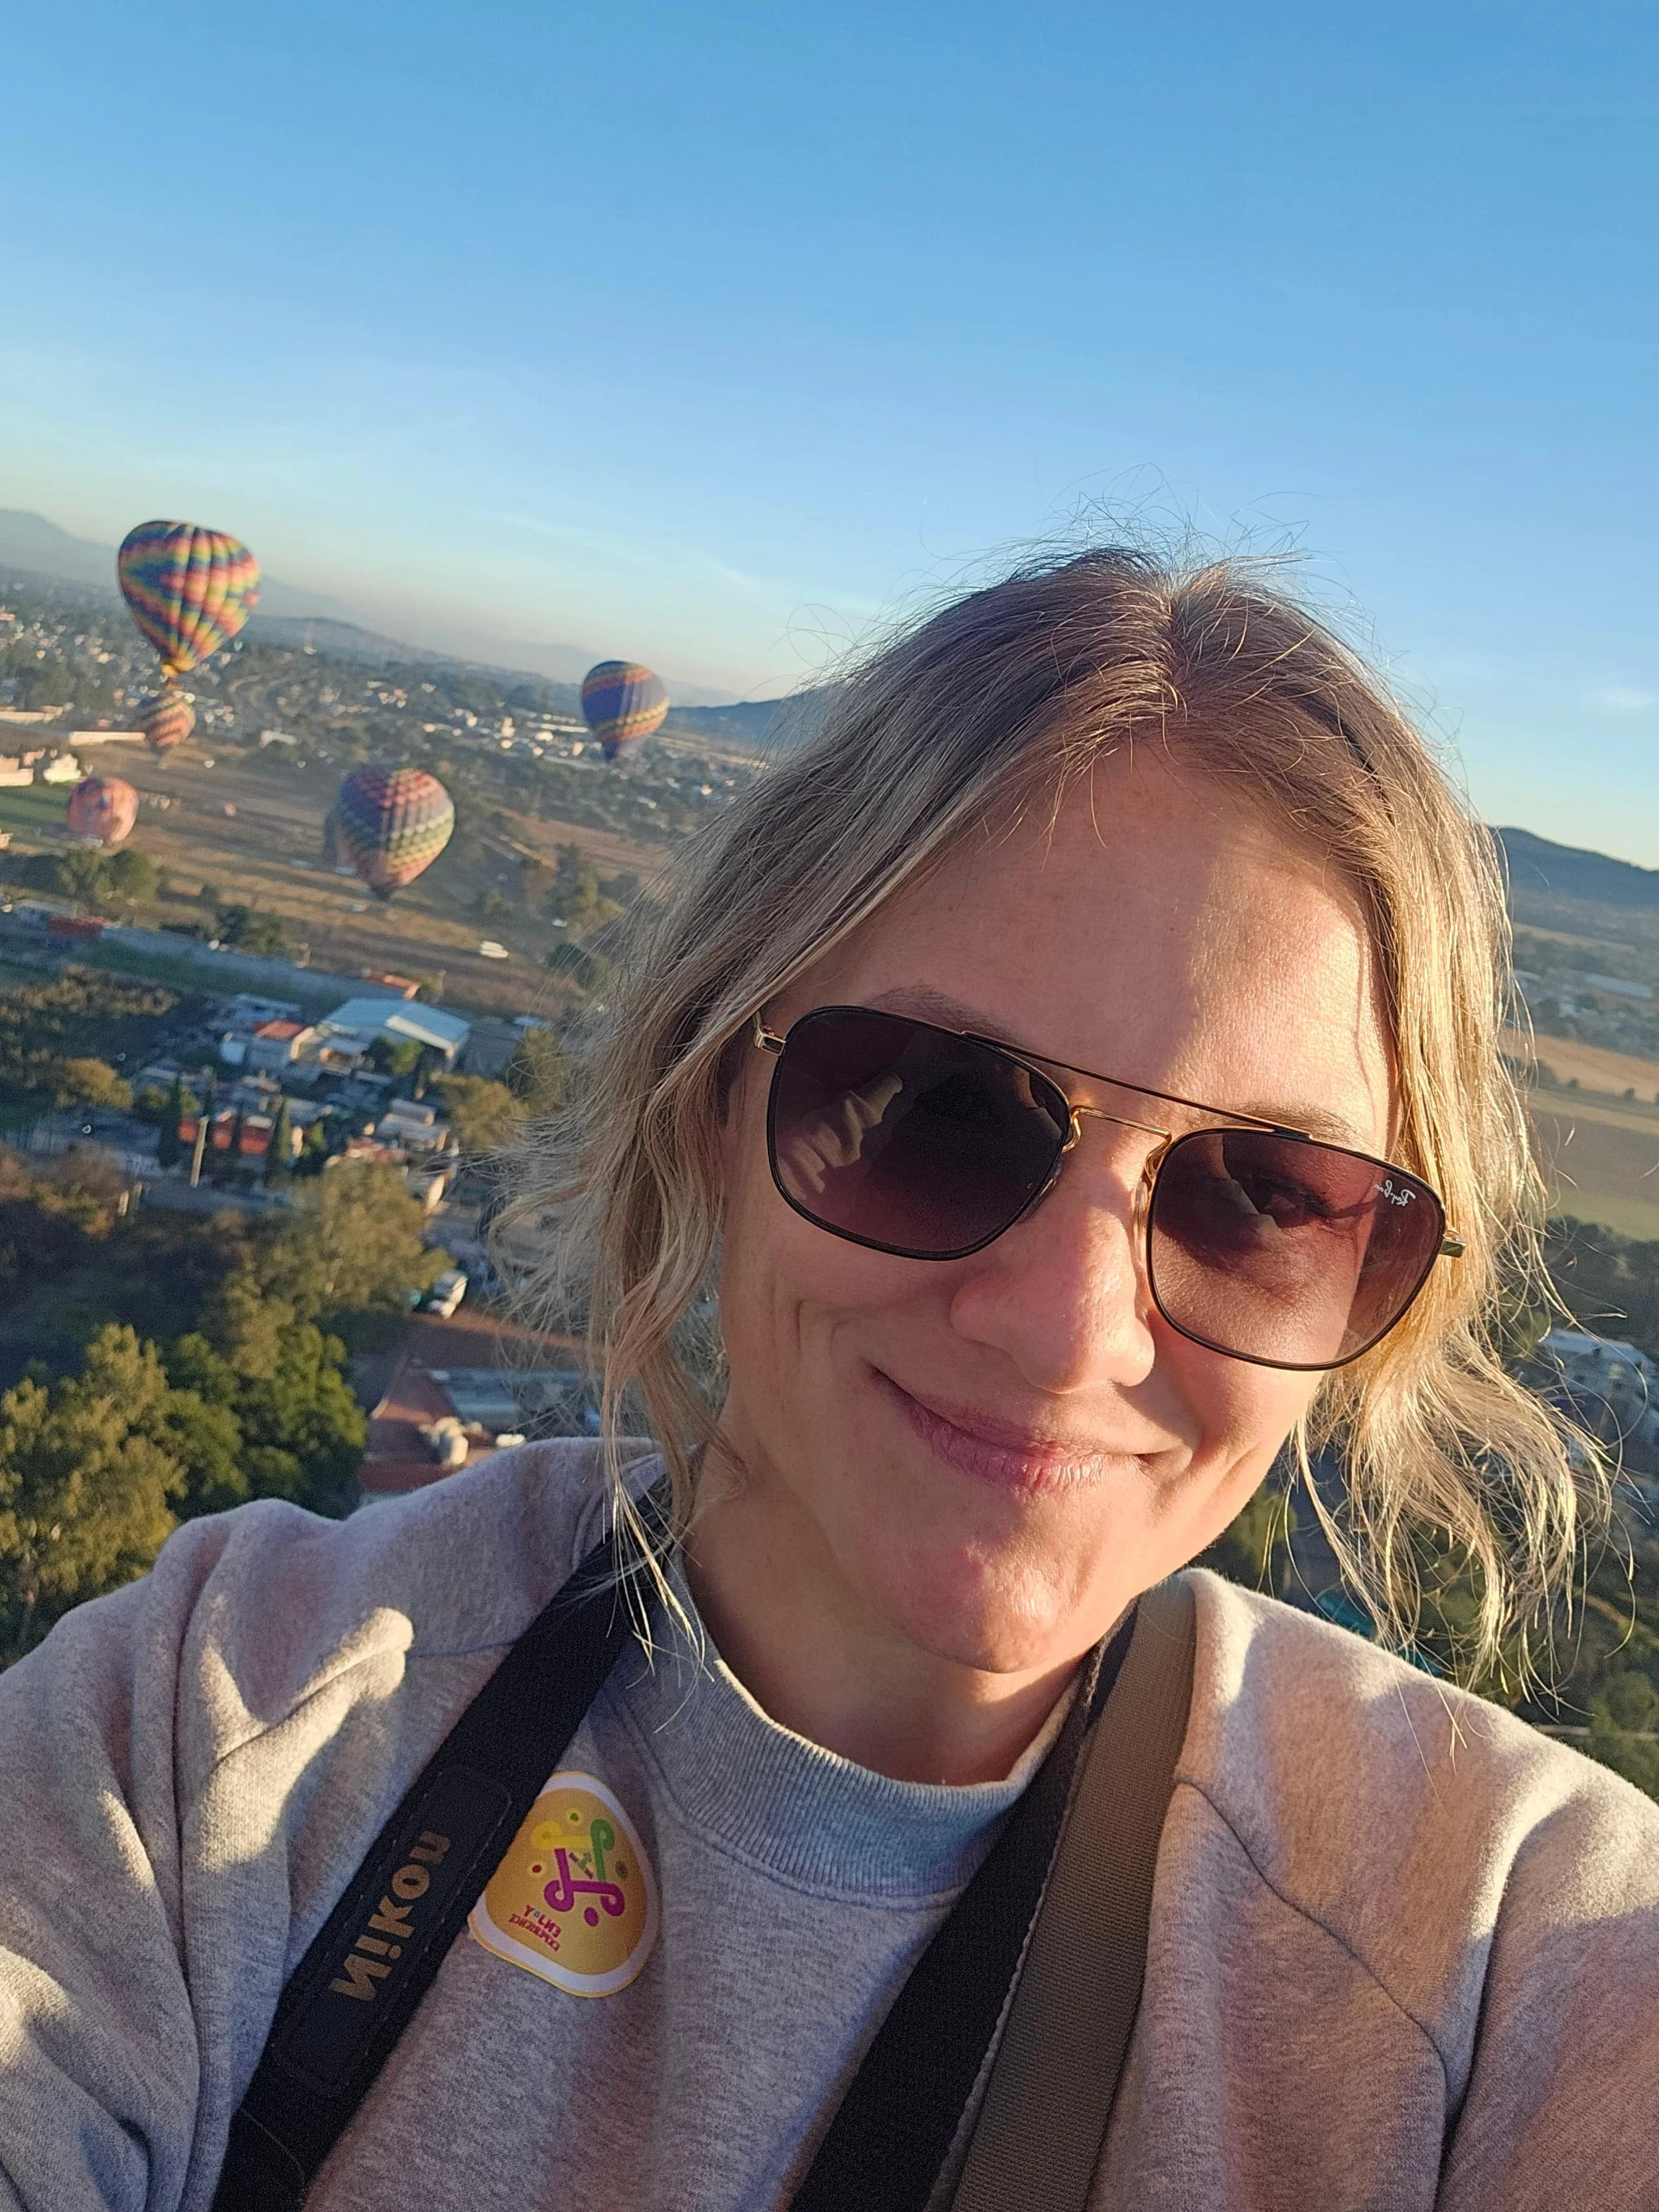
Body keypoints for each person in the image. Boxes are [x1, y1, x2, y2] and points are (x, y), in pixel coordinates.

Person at [1, 548, 1656, 2212]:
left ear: (1382, 1277)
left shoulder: (1509, 1944)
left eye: (1265, 1199)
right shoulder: (215, 1726)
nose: (1069, 1330)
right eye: (936, 1108)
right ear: (711, 1097)